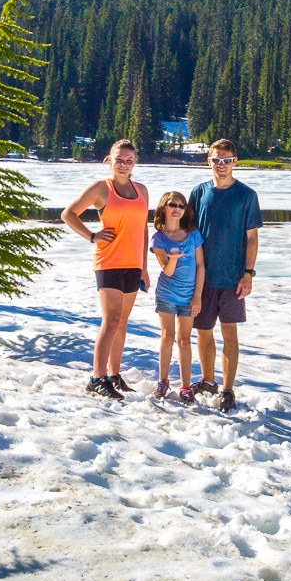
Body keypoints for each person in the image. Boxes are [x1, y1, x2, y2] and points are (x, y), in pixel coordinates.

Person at [61, 139, 149, 400]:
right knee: (110, 320)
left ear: (135, 162)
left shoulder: (142, 190)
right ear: (109, 160)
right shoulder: (101, 188)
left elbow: (143, 229)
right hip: (109, 261)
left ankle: (113, 375)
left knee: (122, 322)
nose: (123, 165)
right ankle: (96, 379)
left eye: (129, 160)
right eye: (119, 159)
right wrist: (92, 236)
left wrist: (144, 267)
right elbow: (68, 214)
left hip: (133, 263)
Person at [188, 138, 260, 413]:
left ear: (234, 162)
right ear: (209, 161)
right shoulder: (199, 193)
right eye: (216, 160)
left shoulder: (246, 195)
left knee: (229, 332)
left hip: (232, 278)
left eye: (226, 160)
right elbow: (188, 233)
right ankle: (208, 381)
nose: (221, 165)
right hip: (202, 277)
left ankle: (227, 390)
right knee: (203, 330)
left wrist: (248, 274)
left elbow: (251, 238)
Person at [148, 190, 206, 402]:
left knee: (184, 340)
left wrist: (197, 296)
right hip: (167, 295)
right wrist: (172, 259)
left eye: (181, 206)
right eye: (173, 205)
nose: (177, 209)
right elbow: (168, 271)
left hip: (189, 296)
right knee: (168, 337)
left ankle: (185, 387)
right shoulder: (158, 238)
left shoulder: (193, 234)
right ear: (163, 208)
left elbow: (200, 266)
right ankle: (162, 382)